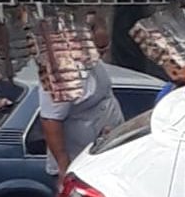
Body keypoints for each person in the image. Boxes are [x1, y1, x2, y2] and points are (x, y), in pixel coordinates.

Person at [39, 20, 123, 180]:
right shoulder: (61, 73)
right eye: (98, 50)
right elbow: (50, 121)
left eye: (105, 48)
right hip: (77, 166)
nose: (101, 55)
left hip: (102, 159)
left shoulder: (93, 64)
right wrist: (64, 167)